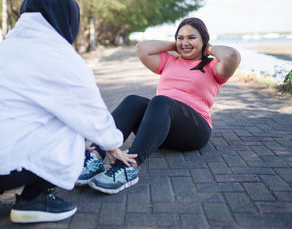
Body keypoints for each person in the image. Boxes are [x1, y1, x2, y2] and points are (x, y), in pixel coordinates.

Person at [0, 0, 136, 224]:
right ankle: (35, 199)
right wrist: (112, 145)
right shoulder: (61, 57)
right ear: (67, 19)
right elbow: (91, 114)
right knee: (70, 124)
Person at [76, 17, 241, 194]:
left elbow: (232, 56)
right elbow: (142, 48)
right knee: (134, 100)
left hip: (194, 131)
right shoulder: (170, 61)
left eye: (191, 38)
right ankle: (95, 156)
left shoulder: (212, 66)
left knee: (161, 100)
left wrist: (206, 48)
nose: (185, 42)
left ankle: (129, 167)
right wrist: (176, 45)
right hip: (160, 129)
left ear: (203, 39)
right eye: (180, 37)